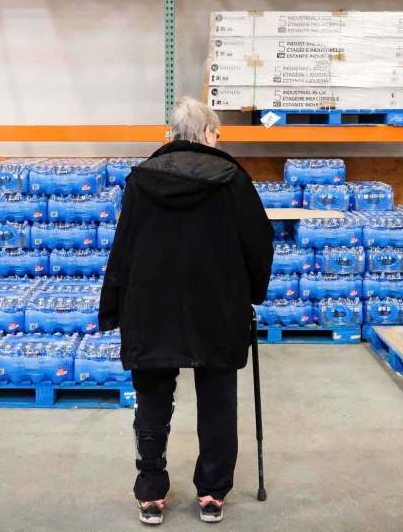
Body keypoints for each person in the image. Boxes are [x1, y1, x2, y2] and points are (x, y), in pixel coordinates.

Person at [98, 97, 274, 525]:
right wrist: (252, 293)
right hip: (217, 306)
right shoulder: (233, 179)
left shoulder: (141, 181)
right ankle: (212, 492)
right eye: (218, 133)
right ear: (208, 133)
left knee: (152, 399)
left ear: (174, 135)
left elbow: (124, 247)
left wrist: (114, 307)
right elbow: (259, 242)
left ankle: (151, 492)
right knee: (217, 399)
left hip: (151, 306)